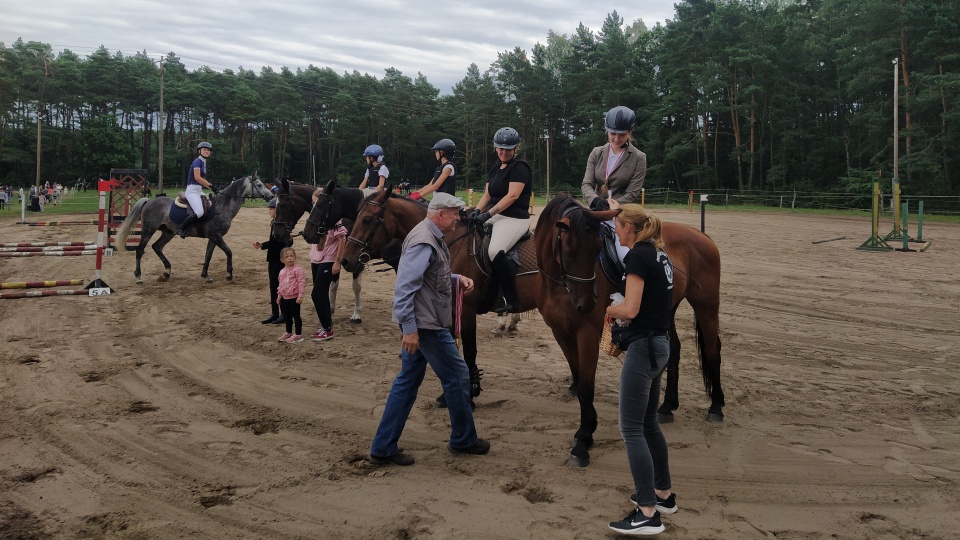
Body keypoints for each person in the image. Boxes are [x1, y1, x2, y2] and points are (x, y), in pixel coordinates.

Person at [368, 192, 490, 466]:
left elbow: (430, 274)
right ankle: (463, 440)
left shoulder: (428, 236)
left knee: (407, 382)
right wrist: (409, 330)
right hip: (426, 325)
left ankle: (383, 447)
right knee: (458, 376)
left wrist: (456, 278)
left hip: (423, 322)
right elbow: (404, 289)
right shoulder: (425, 241)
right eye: (455, 214)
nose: (459, 219)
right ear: (441, 215)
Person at [605, 203, 677, 536]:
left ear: (629, 228)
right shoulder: (660, 254)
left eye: (617, 225)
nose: (615, 230)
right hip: (660, 344)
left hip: (644, 348)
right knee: (648, 423)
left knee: (630, 428)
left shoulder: (636, 257)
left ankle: (647, 512)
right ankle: (662, 494)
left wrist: (609, 310)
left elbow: (631, 308)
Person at [469, 127, 532, 315]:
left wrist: (488, 214)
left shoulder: (520, 167)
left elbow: (512, 196)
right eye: (500, 148)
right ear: (495, 148)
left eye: (508, 149)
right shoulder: (496, 167)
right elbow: (488, 194)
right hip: (496, 215)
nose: (504, 152)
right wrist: (477, 210)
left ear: (515, 148)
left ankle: (511, 299)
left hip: (514, 218)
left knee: (495, 250)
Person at [582, 105, 647, 261]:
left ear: (630, 132)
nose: (616, 139)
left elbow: (632, 193)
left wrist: (614, 206)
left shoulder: (639, 157)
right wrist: (595, 200)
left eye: (622, 135)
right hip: (595, 211)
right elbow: (586, 184)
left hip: (621, 214)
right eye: (612, 134)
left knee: (625, 257)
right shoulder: (596, 153)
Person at [308, 188, 346, 342]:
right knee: (321, 295)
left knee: (316, 294)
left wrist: (337, 260)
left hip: (328, 260)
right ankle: (325, 326)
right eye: (313, 203)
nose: (314, 206)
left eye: (316, 203)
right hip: (316, 259)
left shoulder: (334, 220)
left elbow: (342, 239)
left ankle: (328, 329)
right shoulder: (315, 218)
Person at [253, 198, 290, 325]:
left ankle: (284, 313)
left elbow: (288, 242)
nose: (269, 210)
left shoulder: (282, 224)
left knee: (280, 286)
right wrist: (262, 245)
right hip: (272, 258)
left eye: (271, 208)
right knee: (273, 286)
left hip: (280, 260)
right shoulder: (274, 222)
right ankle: (275, 312)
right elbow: (274, 242)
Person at [178, 141, 217, 238]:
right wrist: (211, 185)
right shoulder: (197, 162)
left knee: (211, 205)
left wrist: (211, 188)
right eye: (204, 150)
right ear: (199, 151)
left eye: (208, 150)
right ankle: (181, 229)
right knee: (199, 212)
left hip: (198, 190)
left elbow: (202, 179)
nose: (207, 151)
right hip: (192, 191)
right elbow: (197, 178)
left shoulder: (203, 162)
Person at [276, 247, 306, 343]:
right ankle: (288, 332)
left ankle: (298, 334)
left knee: (296, 316)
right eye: (287, 257)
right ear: (282, 260)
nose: (289, 258)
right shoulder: (282, 271)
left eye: (291, 256)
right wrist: (279, 296)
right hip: (285, 297)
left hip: (294, 297)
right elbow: (281, 285)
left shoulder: (298, 270)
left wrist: (300, 296)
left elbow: (301, 283)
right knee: (287, 316)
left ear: (295, 257)